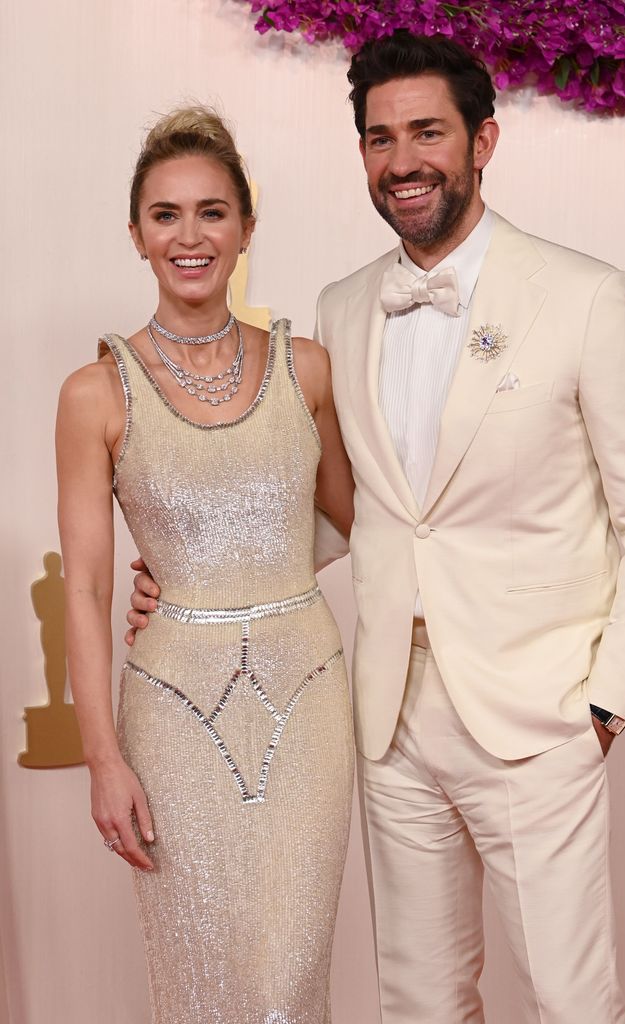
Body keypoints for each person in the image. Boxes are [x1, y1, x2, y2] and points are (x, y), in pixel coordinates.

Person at [128, 33, 625, 1024]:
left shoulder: (584, 297)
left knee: (569, 1001)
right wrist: (197, 566)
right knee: (421, 1005)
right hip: (386, 717)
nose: (401, 161)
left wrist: (604, 703)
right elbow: (358, 510)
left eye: (426, 132)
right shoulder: (342, 309)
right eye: (378, 138)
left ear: (482, 140)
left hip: (538, 711)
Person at [56, 107, 355, 1024]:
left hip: (307, 700)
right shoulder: (93, 392)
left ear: (246, 229)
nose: (191, 236)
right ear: (139, 235)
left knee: (291, 973)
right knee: (205, 983)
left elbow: (368, 527)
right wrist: (102, 758)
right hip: (172, 717)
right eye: (167, 215)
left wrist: (241, 564)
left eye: (213, 212)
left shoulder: (306, 368)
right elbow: (89, 587)